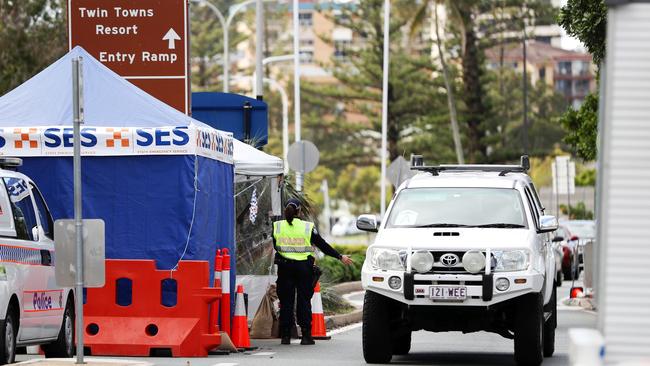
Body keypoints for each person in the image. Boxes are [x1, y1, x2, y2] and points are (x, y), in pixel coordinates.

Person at [273, 198, 353, 345]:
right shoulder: (307, 227)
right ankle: (306, 336)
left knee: (286, 302)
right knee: (304, 301)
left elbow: (275, 246)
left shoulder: (277, 226)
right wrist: (340, 257)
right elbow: (322, 245)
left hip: (284, 269)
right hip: (303, 269)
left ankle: (285, 336)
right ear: (299, 211)